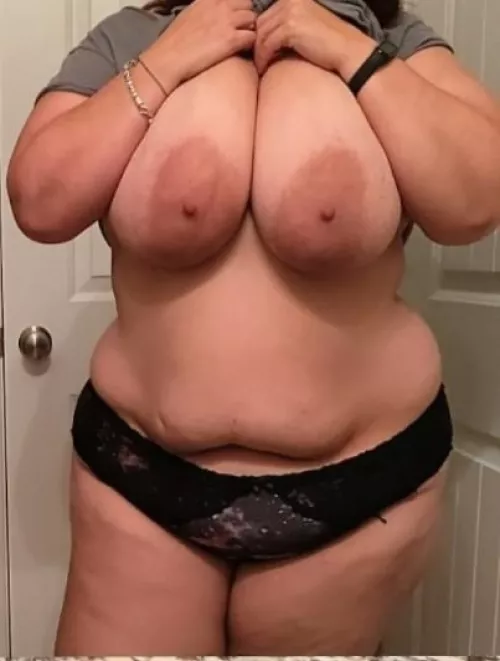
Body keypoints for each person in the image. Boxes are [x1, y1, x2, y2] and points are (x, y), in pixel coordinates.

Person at [7, 0, 500, 654]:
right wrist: (169, 57)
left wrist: (348, 49)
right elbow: (39, 203)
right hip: (139, 480)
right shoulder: (133, 36)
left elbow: (474, 202)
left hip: (357, 495)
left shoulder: (394, 38)